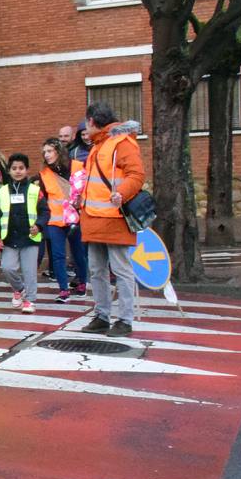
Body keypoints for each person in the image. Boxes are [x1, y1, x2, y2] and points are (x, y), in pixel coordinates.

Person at [80, 103, 145, 337]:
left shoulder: (121, 143)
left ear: (92, 121)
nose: (85, 127)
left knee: (120, 270)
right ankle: (102, 315)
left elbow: (136, 175)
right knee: (97, 270)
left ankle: (124, 320)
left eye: (86, 122)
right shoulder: (101, 144)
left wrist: (122, 193)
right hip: (96, 218)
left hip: (114, 217)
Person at [41, 138, 90, 303]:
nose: (46, 155)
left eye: (49, 151)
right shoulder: (44, 174)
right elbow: (44, 198)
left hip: (76, 217)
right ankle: (63, 289)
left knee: (78, 253)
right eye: (45, 152)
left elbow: (86, 189)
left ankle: (82, 283)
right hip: (55, 220)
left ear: (58, 151)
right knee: (58, 255)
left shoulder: (76, 166)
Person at [0, 153, 49, 314]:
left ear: (27, 170)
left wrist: (39, 226)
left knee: (30, 271)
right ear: (9, 171)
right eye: (14, 168)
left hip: (30, 237)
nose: (18, 171)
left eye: (21, 168)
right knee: (7, 267)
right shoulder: (2, 191)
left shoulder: (35, 190)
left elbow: (45, 212)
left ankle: (30, 300)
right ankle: (19, 289)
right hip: (9, 237)